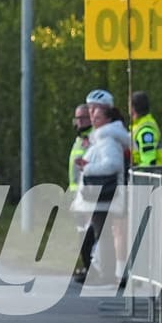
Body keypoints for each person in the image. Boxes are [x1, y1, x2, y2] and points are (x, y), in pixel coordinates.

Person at [70, 89, 131, 288]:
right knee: (100, 234)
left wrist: (87, 167)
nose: (91, 115)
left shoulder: (107, 138)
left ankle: (105, 274)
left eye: (95, 110)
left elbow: (112, 164)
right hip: (102, 195)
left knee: (101, 235)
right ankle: (102, 272)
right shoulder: (104, 136)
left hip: (104, 194)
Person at [68, 103, 95, 283]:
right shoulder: (80, 138)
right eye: (78, 118)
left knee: (89, 232)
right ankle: (86, 266)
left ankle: (91, 268)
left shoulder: (92, 138)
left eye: (83, 117)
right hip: (76, 192)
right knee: (81, 231)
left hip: (88, 193)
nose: (80, 121)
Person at [129, 90, 162, 167]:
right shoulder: (138, 127)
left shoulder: (145, 130)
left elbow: (148, 161)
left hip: (146, 177)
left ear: (133, 109)